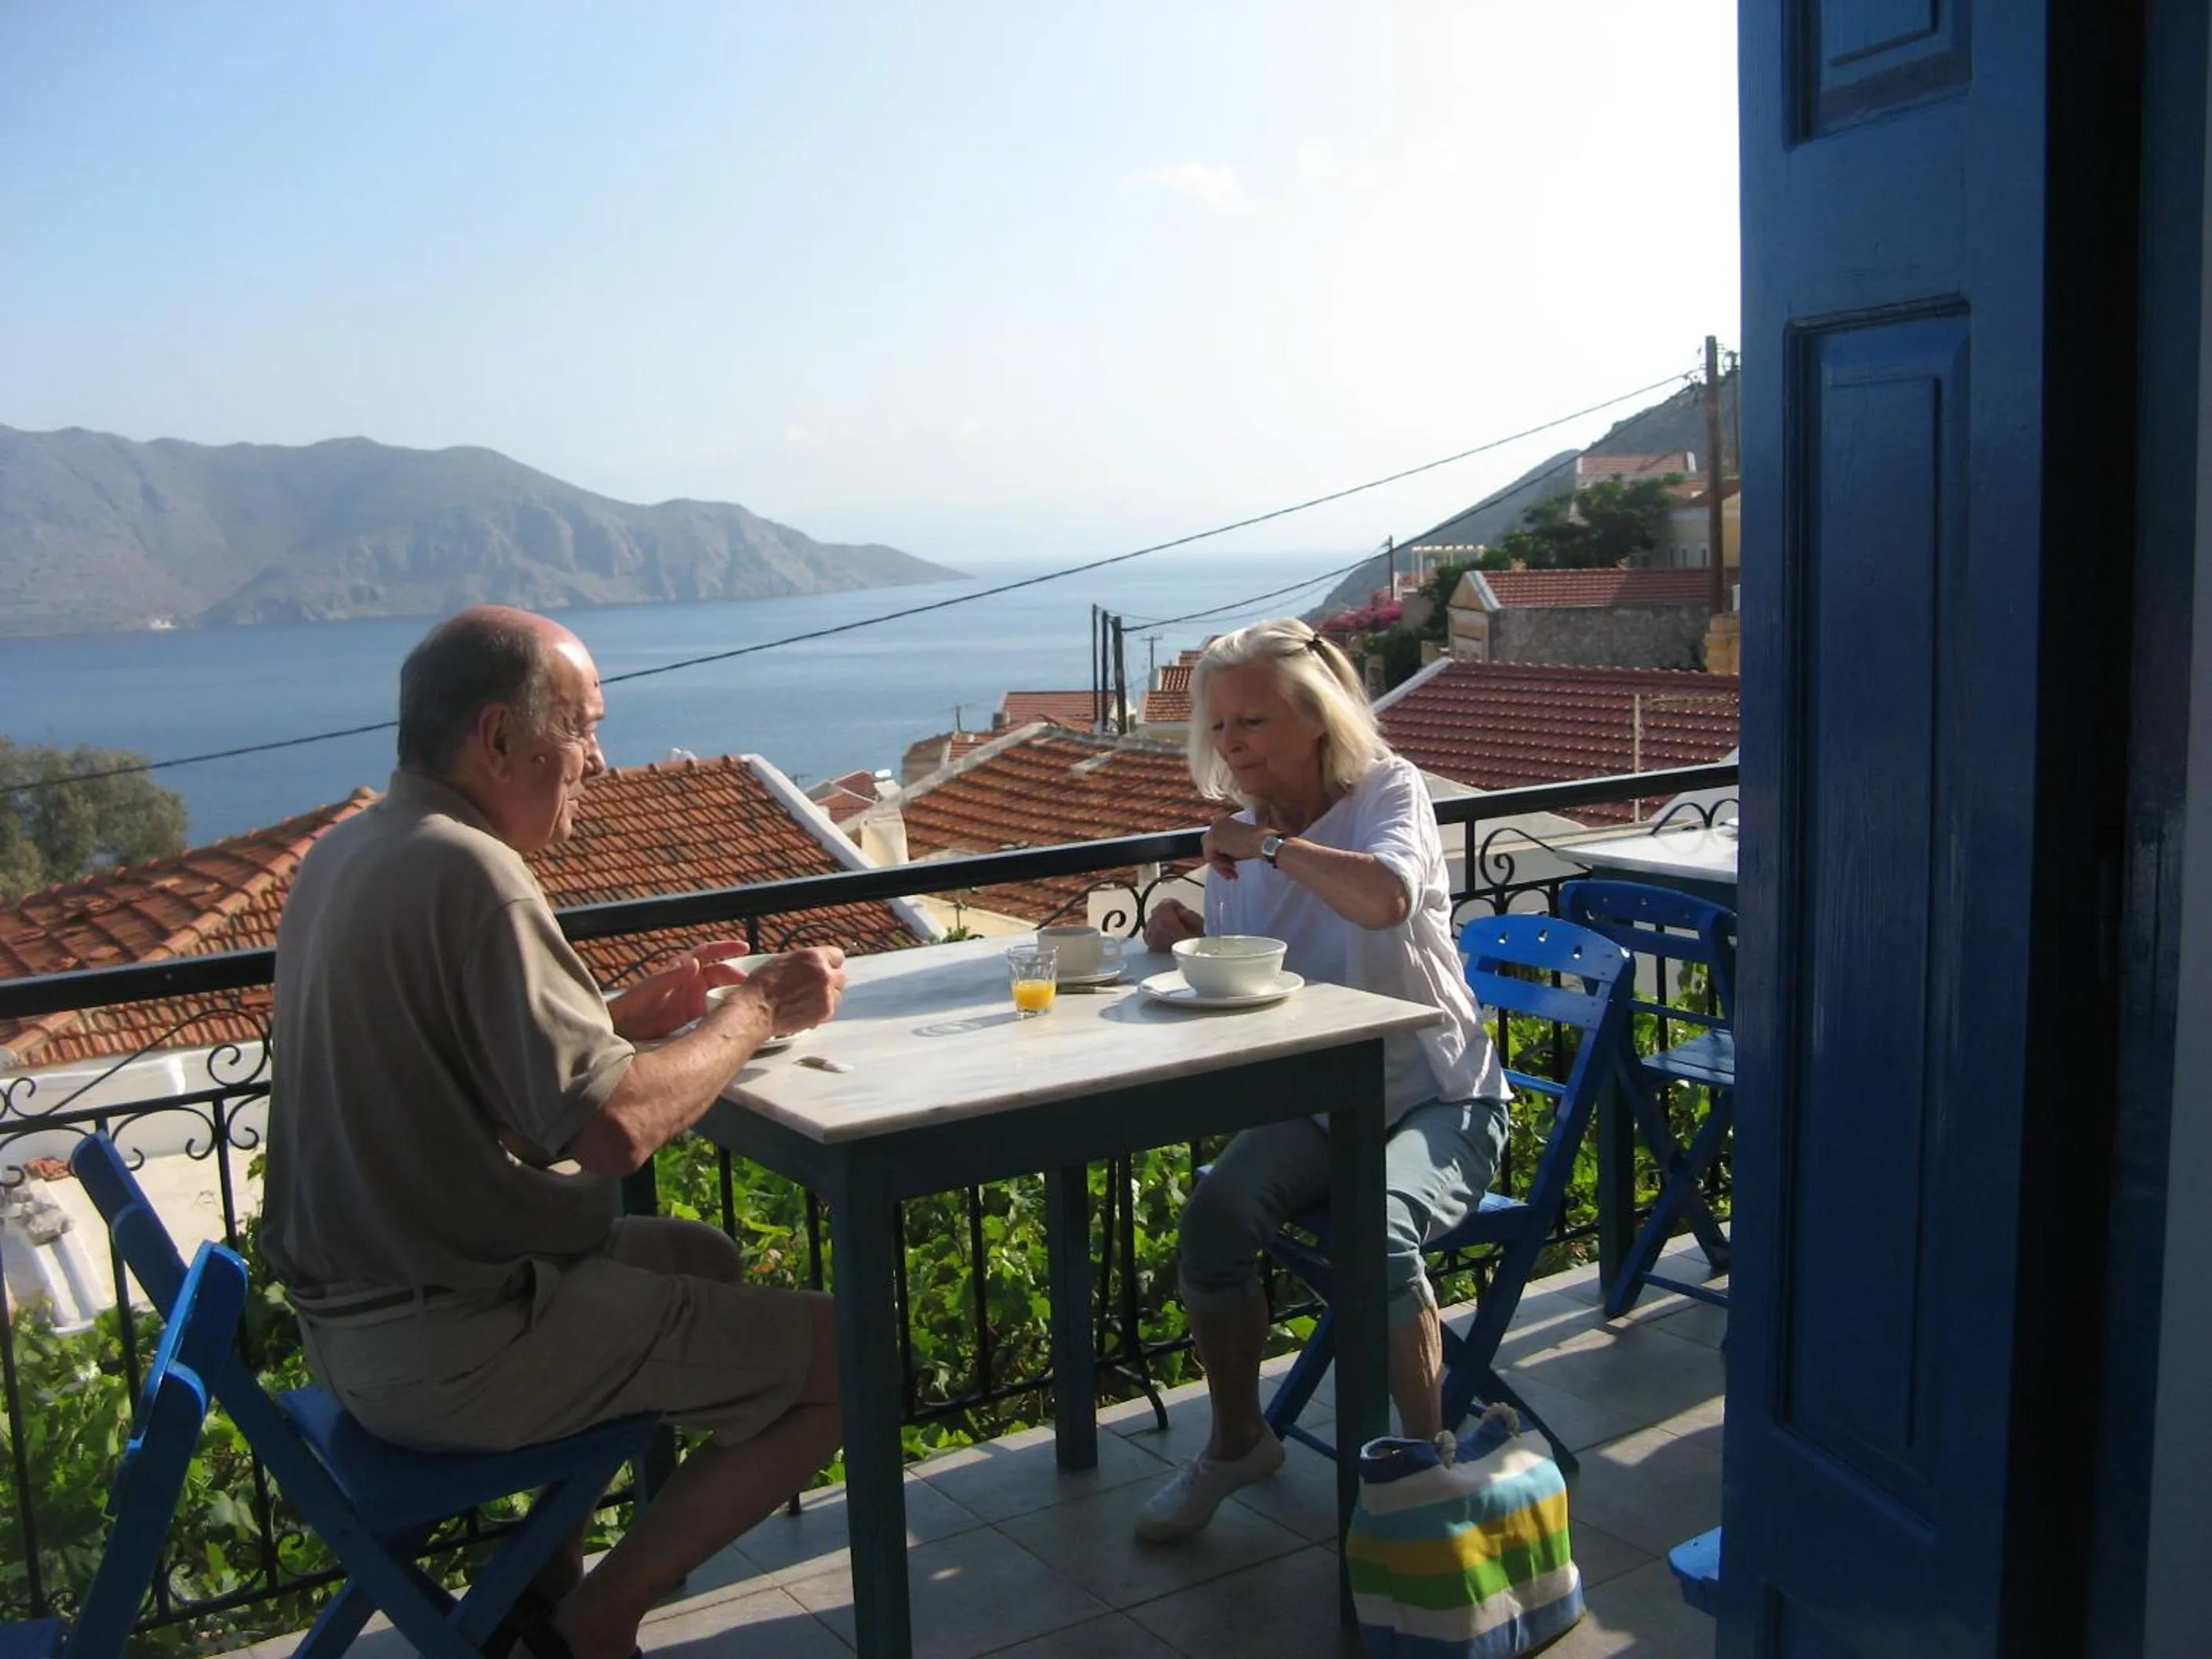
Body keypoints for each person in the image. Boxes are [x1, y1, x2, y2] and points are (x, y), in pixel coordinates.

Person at [262, 606, 849, 1659]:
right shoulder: (473, 873)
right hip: (451, 1345)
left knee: (703, 1257)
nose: (597, 758)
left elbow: (456, 1060)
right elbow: (614, 1132)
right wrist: (754, 1008)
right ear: (497, 739)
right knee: (847, 1359)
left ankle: (538, 1588)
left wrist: (620, 1019)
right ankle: (591, 1626)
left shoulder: (353, 852)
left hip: (357, 1328)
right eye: (580, 727)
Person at [1132, 617, 1511, 1544]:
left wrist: (1262, 849)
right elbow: (1266, 970)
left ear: (1315, 720)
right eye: (1218, 727)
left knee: (1375, 1231)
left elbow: (1383, 899)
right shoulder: (1242, 835)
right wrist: (1188, 938)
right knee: (1214, 1221)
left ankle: (1426, 1476)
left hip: (1438, 1095)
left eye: (1252, 722)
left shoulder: (1388, 791)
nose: (1230, 745)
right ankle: (1236, 1442)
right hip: (1320, 1105)